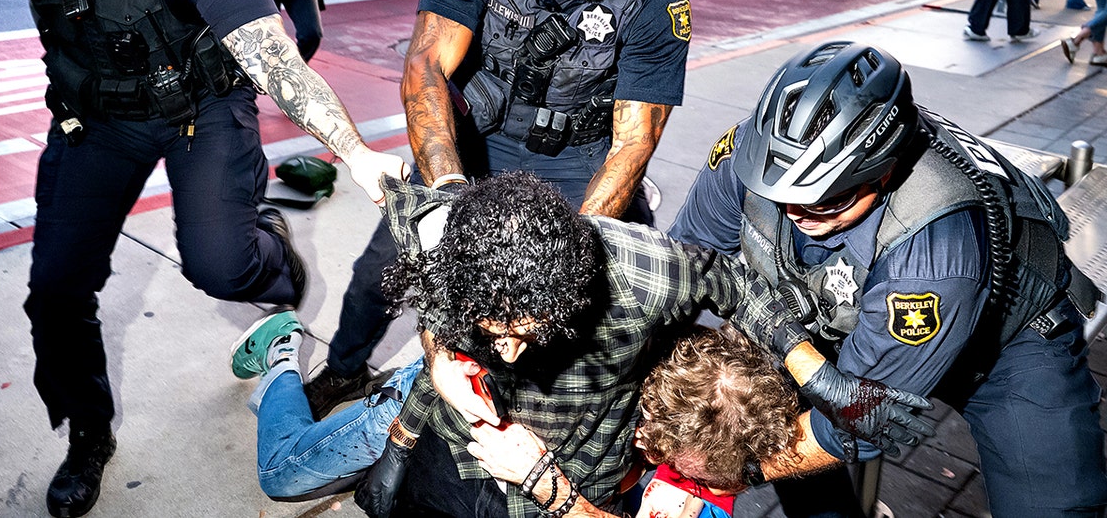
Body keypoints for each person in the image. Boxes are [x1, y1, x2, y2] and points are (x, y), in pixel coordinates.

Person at [0, 0, 409, 514]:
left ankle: (271, 255)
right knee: (56, 289)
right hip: (96, 119)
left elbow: (271, 54)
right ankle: (89, 433)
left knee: (222, 265)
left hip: (199, 108)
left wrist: (354, 149)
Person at [305, 0, 695, 418]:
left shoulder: (660, 3)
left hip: (577, 157)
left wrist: (574, 247)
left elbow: (634, 140)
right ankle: (343, 369)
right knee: (385, 269)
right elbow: (426, 67)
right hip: (474, 145)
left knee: (607, 298)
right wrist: (445, 194)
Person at [671, 40, 1107, 517]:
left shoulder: (935, 252)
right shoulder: (754, 155)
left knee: (1051, 507)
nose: (796, 212)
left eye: (827, 199)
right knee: (757, 416)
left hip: (1005, 345)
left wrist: (724, 475)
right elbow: (684, 268)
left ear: (886, 170)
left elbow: (854, 428)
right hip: (849, 311)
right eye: (779, 193)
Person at [343, 173, 930, 518]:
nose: (509, 355)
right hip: (456, 458)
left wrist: (816, 373)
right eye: (494, 332)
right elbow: (436, 304)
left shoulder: (645, 273)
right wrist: (406, 434)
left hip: (574, 479)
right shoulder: (454, 245)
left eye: (526, 332)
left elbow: (737, 284)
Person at [228, 314, 800, 518]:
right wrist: (399, 444)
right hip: (434, 410)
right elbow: (447, 330)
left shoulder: (705, 409)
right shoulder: (568, 362)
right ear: (654, 426)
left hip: (483, 472)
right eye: (687, 468)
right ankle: (281, 355)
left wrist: (690, 492)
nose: (685, 477)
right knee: (281, 475)